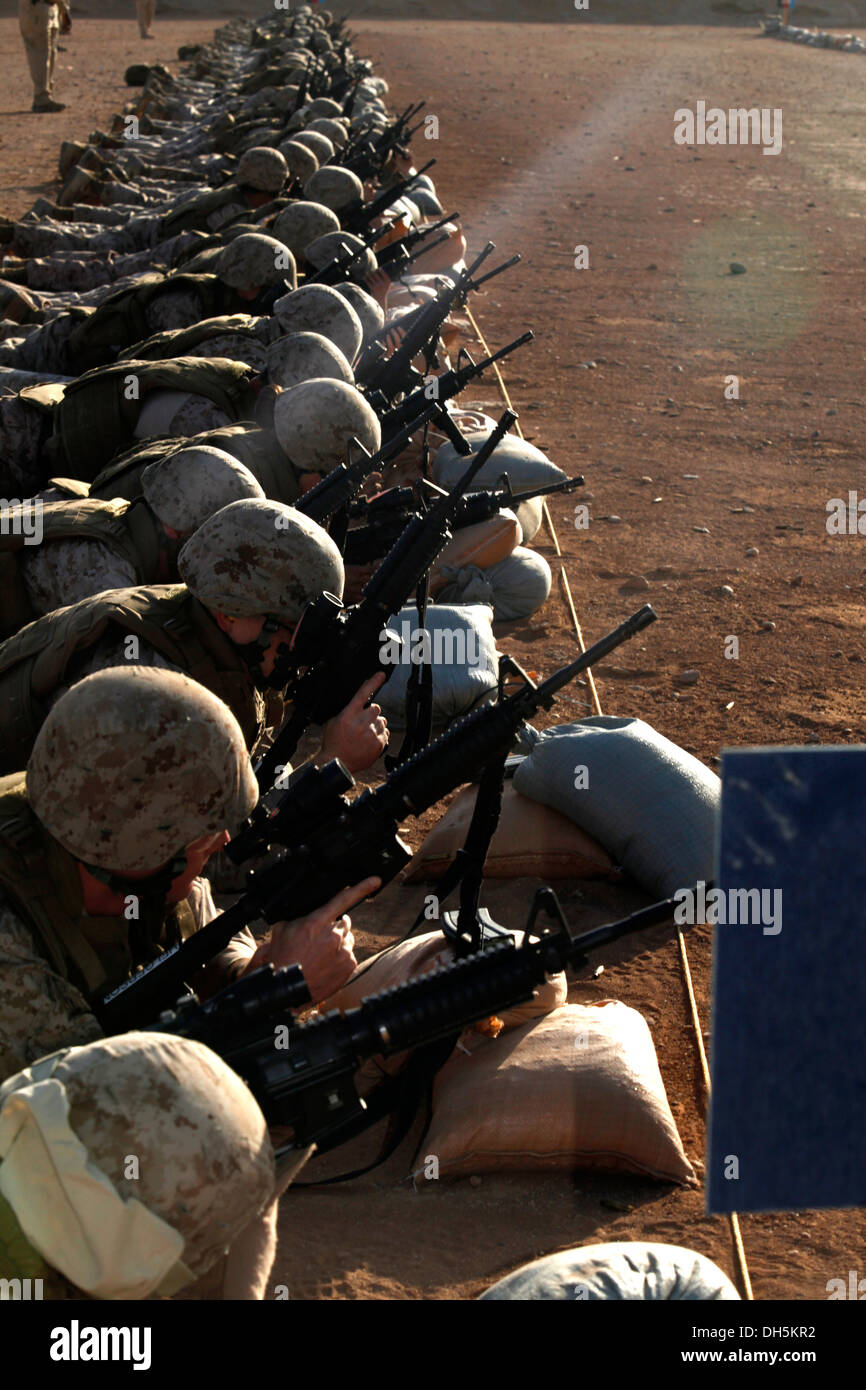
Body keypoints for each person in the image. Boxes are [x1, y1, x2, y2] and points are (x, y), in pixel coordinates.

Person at [0, 666, 378, 1297]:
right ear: (140, 850)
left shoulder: (112, 837)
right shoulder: (10, 939)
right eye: (204, 838)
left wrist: (263, 973)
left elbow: (200, 940)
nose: (222, 843)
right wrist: (267, 997)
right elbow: (84, 1106)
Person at [18, 0, 67, 114]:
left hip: (50, 8)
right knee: (40, 54)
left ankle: (45, 95)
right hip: (36, 8)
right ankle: (41, 98)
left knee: (49, 54)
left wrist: (63, 11)